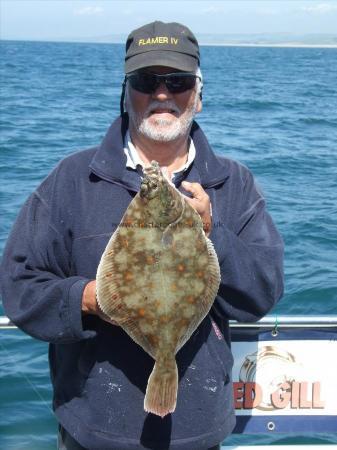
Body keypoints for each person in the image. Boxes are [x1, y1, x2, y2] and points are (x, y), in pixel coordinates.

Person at [0, 21, 284, 450]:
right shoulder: (72, 180)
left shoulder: (234, 184)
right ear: (125, 91)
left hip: (199, 431)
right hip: (91, 429)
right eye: (146, 81)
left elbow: (263, 293)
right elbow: (19, 287)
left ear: (199, 96)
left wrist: (213, 232)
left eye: (179, 81)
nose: (163, 94)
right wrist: (92, 299)